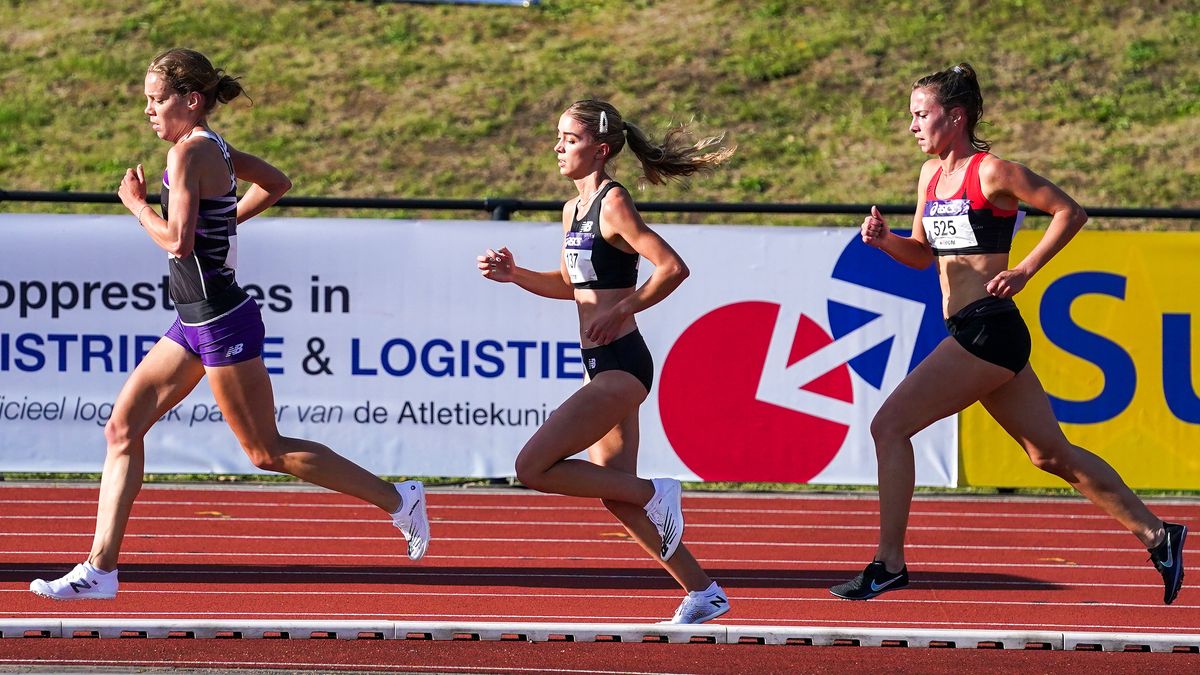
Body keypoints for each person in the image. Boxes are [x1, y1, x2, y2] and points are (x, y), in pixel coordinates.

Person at [30, 48, 429, 600]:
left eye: (155, 100)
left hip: (218, 318)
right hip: (193, 319)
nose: (147, 110)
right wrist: (227, 217)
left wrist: (136, 205)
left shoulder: (188, 155)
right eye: (145, 100)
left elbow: (177, 241)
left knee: (266, 451)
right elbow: (277, 181)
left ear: (190, 101)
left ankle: (398, 499)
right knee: (122, 429)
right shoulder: (210, 145)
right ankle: (101, 570)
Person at [830, 63, 1185, 604]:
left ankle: (890, 562)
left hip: (987, 331)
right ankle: (1160, 534)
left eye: (921, 115)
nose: (912, 126)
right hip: (975, 330)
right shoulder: (930, 177)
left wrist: (1025, 270)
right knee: (1049, 455)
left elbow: (1070, 211)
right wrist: (884, 241)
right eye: (911, 116)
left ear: (955, 116)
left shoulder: (993, 172)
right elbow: (924, 255)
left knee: (889, 426)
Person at [477, 100, 735, 623]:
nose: (557, 147)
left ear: (599, 149)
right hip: (601, 363)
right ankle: (704, 590)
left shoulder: (614, 203)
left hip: (622, 363)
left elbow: (671, 268)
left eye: (568, 140)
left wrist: (624, 308)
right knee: (614, 495)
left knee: (532, 467)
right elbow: (571, 285)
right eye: (557, 137)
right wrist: (516, 275)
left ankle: (656, 491)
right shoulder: (573, 209)